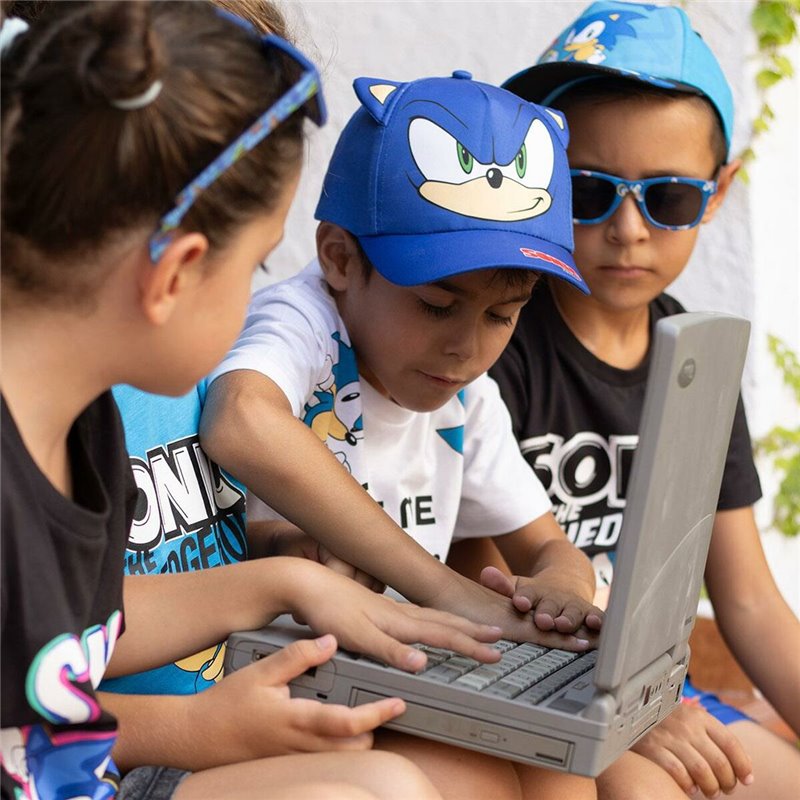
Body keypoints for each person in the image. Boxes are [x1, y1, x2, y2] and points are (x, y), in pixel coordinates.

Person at [0, 4, 505, 798]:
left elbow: (71, 638)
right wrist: (193, 731)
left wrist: (281, 584)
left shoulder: (82, 424)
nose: (256, 306)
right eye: (256, 270)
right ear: (174, 276)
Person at [200, 69, 603, 799]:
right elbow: (240, 420)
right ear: (340, 259)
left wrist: (563, 590)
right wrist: (444, 591)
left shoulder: (465, 397)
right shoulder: (302, 321)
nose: (466, 348)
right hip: (265, 694)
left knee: (567, 773)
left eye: (501, 315)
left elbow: (546, 544)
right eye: (436, 304)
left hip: (389, 670)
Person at [475, 2, 800, 799]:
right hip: (532, 683)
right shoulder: (490, 339)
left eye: (670, 198)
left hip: (657, 693)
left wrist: (654, 707)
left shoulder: (698, 355)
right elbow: (478, 589)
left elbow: (749, 601)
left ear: (716, 196)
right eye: (588, 191)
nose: (628, 229)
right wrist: (630, 711)